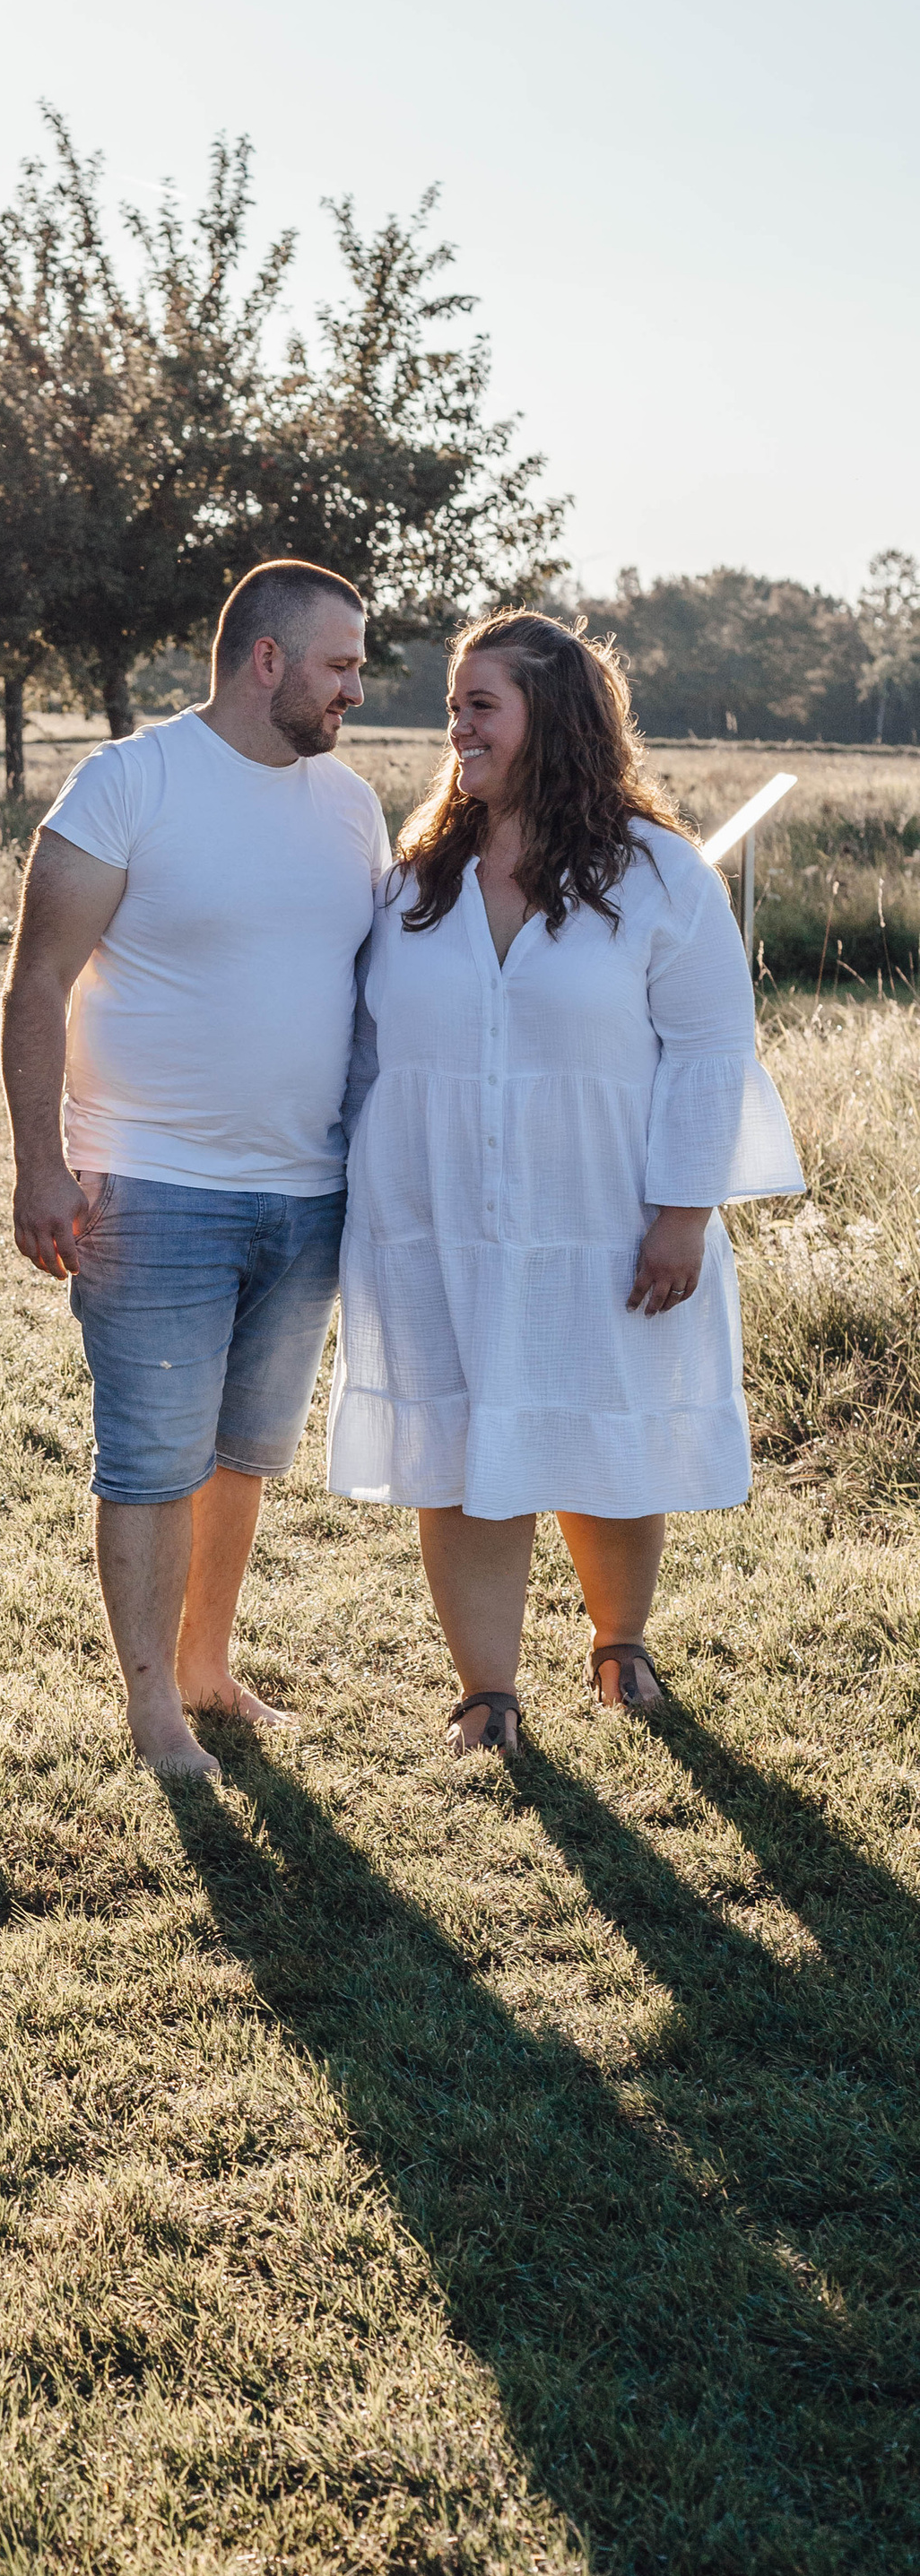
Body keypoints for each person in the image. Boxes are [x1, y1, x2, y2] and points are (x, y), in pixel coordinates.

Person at [327, 611, 804, 1755]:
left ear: (554, 720)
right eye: (455, 705)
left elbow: (706, 1051)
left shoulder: (655, 876)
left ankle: (618, 1641)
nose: (457, 727)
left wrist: (683, 1215)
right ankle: (486, 1691)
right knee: (457, 1448)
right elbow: (361, 1051)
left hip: (604, 1216)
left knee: (605, 1432)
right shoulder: (413, 878)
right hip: (432, 1218)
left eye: (478, 703)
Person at [2, 560, 389, 1777]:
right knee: (155, 1457)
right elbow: (39, 983)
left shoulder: (353, 806)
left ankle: (210, 1667)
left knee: (241, 1455)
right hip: (152, 1183)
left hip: (306, 1189)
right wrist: (38, 1166)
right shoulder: (131, 783)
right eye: (340, 667)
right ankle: (152, 1706)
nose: (355, 693)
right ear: (265, 659)